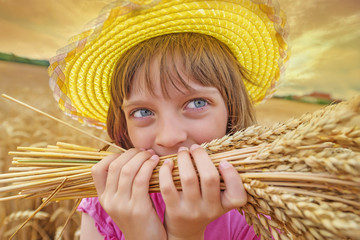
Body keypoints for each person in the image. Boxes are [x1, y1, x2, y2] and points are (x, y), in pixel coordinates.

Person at [48, 1, 289, 239]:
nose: (170, 137)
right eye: (143, 112)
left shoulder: (265, 213)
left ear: (231, 109)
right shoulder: (107, 200)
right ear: (123, 125)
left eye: (197, 103)